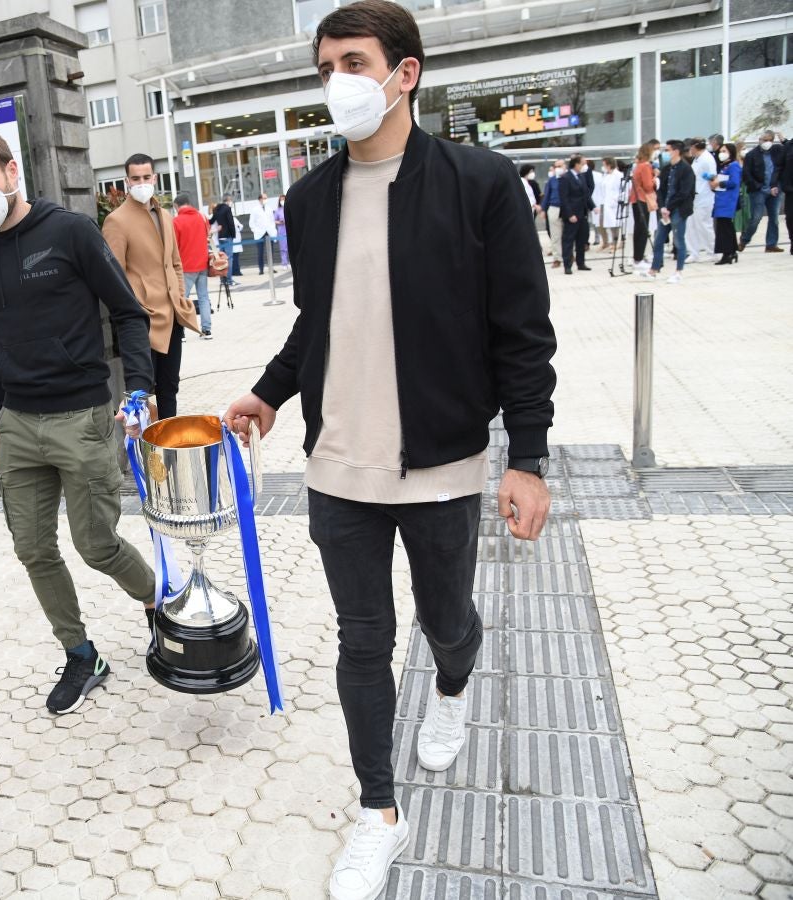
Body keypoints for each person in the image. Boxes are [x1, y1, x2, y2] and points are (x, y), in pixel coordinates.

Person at [222, 4, 556, 898]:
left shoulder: (479, 182)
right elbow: (320, 321)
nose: (337, 81)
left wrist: (527, 457)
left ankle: (451, 688)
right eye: (326, 66)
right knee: (362, 641)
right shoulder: (309, 199)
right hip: (339, 464)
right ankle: (378, 813)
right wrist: (268, 392)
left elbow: (523, 332)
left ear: (405, 74)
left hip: (442, 462)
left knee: (447, 621)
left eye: (354, 62)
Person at [0, 127, 157, 716]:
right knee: (34, 550)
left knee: (97, 546)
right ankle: (81, 654)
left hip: (80, 417)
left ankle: (158, 602)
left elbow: (128, 313)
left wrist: (139, 388)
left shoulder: (70, 231)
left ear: (12, 172)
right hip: (17, 423)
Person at [103, 153, 201, 419]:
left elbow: (175, 263)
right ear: (127, 181)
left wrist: (179, 296)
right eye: (135, 178)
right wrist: (135, 307)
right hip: (142, 321)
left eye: (146, 177)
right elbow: (113, 277)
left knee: (170, 388)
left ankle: (169, 440)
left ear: (155, 178)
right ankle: (144, 445)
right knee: (141, 394)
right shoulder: (116, 221)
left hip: (172, 316)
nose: (141, 183)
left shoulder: (165, 215)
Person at [648, 140, 695, 284]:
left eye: (668, 150)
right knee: (659, 239)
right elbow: (661, 190)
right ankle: (654, 268)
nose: (665, 153)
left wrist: (669, 207)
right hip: (665, 210)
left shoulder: (686, 170)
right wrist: (662, 206)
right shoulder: (667, 168)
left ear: (676, 151)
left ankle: (678, 271)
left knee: (678, 240)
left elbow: (684, 192)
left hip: (678, 210)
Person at [173, 194, 214, 339]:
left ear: (176, 206)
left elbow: (174, 245)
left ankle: (181, 332)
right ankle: (207, 330)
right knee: (203, 297)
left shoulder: (176, 221)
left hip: (185, 266)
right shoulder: (202, 217)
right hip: (202, 263)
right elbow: (208, 236)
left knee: (183, 299)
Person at [739, 130, 785, 253]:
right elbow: (747, 175)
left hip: (775, 190)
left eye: (770, 140)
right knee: (756, 218)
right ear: (759, 140)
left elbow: (782, 164)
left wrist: (777, 186)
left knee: (774, 218)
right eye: (764, 140)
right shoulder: (751, 155)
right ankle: (744, 240)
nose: (767, 143)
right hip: (758, 191)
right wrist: (760, 187)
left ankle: (771, 244)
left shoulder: (777, 152)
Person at [560, 154, 594, 274]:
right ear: (576, 164)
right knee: (568, 240)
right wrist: (570, 214)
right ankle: (567, 265)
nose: (584, 166)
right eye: (583, 164)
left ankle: (581, 263)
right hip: (572, 215)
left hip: (582, 213)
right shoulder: (565, 177)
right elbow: (564, 198)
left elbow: (586, 194)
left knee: (582, 239)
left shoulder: (581, 177)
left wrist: (593, 207)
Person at [629, 143, 658, 274]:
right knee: (642, 230)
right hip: (642, 199)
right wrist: (655, 180)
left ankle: (637, 257)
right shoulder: (645, 166)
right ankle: (638, 258)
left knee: (638, 229)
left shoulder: (638, 166)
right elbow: (647, 185)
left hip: (636, 199)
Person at [713, 142, 744, 265]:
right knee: (725, 226)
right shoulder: (725, 166)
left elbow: (734, 182)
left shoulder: (734, 166)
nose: (721, 154)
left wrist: (720, 183)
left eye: (724, 151)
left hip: (728, 200)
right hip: (721, 199)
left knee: (724, 227)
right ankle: (731, 251)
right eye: (721, 151)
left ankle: (727, 253)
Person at [688, 138, 717, 262]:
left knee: (704, 226)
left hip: (704, 197)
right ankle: (694, 253)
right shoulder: (696, 159)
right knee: (691, 226)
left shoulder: (707, 158)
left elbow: (713, 178)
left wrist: (710, 180)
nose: (690, 149)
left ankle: (712, 252)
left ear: (695, 146)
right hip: (694, 197)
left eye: (690, 147)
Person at [599, 158, 625, 253]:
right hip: (606, 203)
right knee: (608, 224)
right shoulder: (606, 175)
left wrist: (616, 199)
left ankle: (615, 244)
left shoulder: (618, 175)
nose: (603, 167)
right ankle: (610, 243)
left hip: (614, 204)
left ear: (609, 165)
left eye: (604, 165)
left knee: (615, 225)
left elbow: (622, 189)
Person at [211, 194, 237, 286]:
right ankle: (229, 280)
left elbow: (211, 221)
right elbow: (231, 222)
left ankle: (223, 279)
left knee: (221, 259)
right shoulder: (227, 209)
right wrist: (233, 234)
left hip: (220, 236)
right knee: (229, 258)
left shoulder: (217, 209)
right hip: (227, 236)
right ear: (228, 200)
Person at [543, 160, 564, 267]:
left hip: (566, 209)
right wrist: (543, 209)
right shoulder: (552, 180)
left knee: (568, 235)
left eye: (560, 166)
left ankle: (569, 255)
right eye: (556, 166)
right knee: (555, 235)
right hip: (554, 208)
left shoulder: (568, 178)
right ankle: (557, 258)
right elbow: (546, 195)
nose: (558, 168)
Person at [248, 192, 275, 274]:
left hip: (269, 232)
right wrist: (255, 230)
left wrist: (273, 229)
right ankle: (261, 269)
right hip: (259, 233)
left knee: (271, 252)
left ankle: (271, 268)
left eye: (266, 198)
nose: (266, 200)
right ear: (260, 199)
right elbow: (251, 222)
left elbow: (272, 220)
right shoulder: (255, 209)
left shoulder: (269, 208)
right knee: (260, 252)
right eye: (264, 198)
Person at [273, 194, 289, 268]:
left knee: (291, 248)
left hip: (289, 231)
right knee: (283, 248)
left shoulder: (289, 208)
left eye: (284, 199)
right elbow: (274, 220)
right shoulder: (277, 210)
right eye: (281, 200)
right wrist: (280, 222)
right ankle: (284, 263)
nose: (282, 201)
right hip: (282, 231)